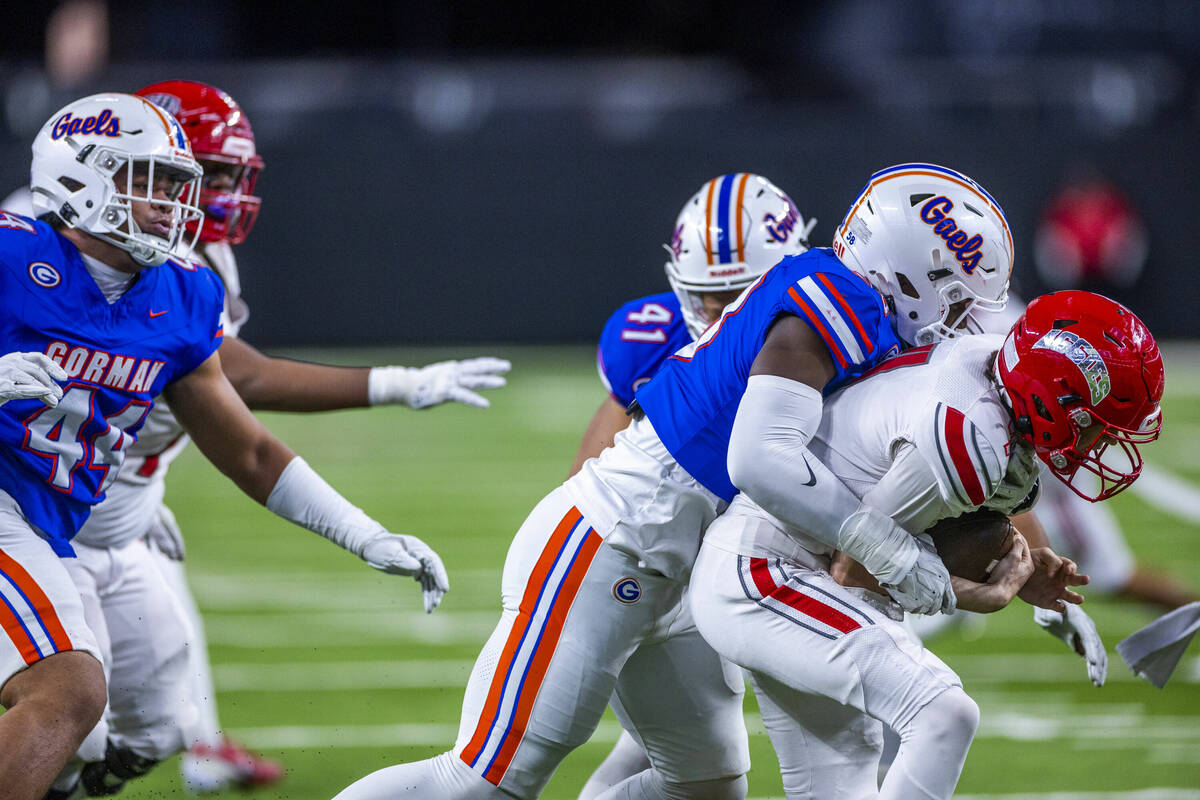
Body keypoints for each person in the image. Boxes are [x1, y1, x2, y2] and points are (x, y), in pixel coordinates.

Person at [334, 163, 1018, 800]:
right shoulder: (839, 295)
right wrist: (890, 550)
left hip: (687, 566)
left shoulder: (848, 301)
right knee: (483, 780)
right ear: (906, 268)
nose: (955, 317)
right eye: (954, 295)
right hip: (616, 539)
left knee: (704, 790)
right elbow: (759, 459)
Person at [0, 92, 448, 800]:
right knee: (70, 693)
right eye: (148, 180)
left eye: (178, 184)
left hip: (54, 521)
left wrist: (365, 536)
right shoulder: (10, 254)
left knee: (124, 725)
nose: (173, 203)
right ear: (78, 175)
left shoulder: (181, 295)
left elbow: (250, 452)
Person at [688, 290, 1164, 799]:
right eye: (1095, 424)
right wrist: (966, 592)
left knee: (840, 786)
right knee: (942, 713)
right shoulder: (967, 435)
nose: (1100, 443)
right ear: (1056, 396)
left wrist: (1026, 564)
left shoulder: (990, 373)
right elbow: (855, 568)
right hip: (765, 573)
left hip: (790, 568)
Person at [571, 173, 814, 799]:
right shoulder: (650, 338)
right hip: (676, 569)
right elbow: (588, 479)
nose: (717, 314)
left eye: (736, 294)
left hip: (768, 562)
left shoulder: (824, 334)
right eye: (705, 296)